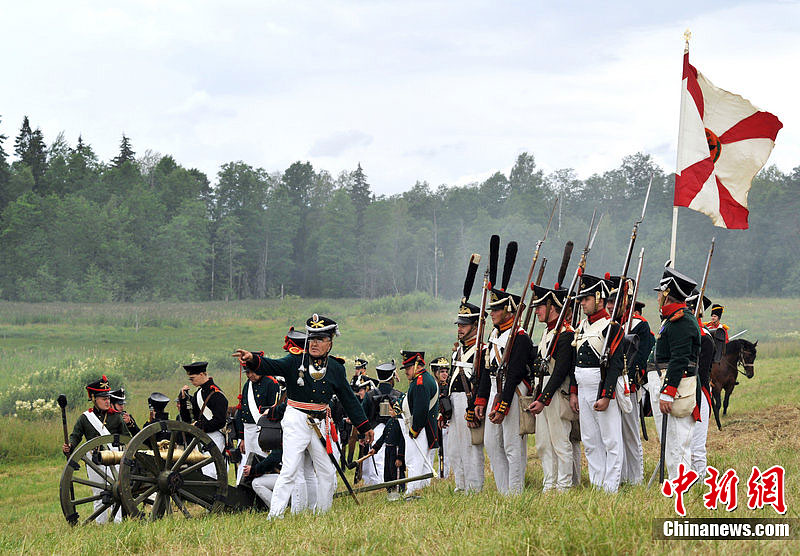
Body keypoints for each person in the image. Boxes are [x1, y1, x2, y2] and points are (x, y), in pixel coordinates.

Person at [233, 314, 374, 518]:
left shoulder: (336, 368)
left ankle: (322, 514)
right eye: (312, 338)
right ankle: (275, 515)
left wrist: (364, 426)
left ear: (330, 343)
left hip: (320, 422)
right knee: (289, 470)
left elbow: (349, 399)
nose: (314, 343)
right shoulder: (294, 361)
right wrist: (253, 360)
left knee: (326, 471)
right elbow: (272, 365)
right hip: (296, 419)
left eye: (320, 339)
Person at [474, 283, 534, 496]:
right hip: (495, 389)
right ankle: (504, 492)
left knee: (512, 446)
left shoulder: (520, 337)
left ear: (509, 310)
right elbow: (486, 369)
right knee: (492, 444)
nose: (492, 313)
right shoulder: (495, 335)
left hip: (513, 392)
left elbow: (515, 374)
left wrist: (503, 406)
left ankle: (515, 493)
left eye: (497, 309)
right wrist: (481, 399)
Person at [572, 273, 625, 493]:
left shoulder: (611, 327)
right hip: (582, 387)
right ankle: (597, 484)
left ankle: (611, 487)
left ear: (599, 299)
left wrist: (606, 395)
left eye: (586, 299)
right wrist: (573, 392)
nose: (582, 303)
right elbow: (575, 361)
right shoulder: (582, 327)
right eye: (581, 299)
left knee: (611, 440)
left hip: (600, 386)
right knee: (590, 439)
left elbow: (615, 366)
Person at [653, 265, 702, 481]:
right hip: (669, 382)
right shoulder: (673, 318)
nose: (657, 298)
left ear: (667, 295)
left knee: (678, 443)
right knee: (672, 442)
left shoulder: (681, 320)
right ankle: (676, 484)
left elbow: (680, 358)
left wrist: (668, 390)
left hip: (677, 386)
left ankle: (680, 486)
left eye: (660, 294)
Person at [526, 284, 577, 492]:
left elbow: (560, 372)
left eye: (540, 307)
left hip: (556, 393)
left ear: (552, 307)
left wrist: (543, 399)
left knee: (560, 441)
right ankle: (549, 484)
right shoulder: (549, 332)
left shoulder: (566, 334)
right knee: (543, 443)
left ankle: (564, 485)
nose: (536, 311)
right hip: (545, 392)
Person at [62, 376, 129, 524]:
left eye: (108, 398)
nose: (107, 401)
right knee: (98, 495)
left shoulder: (116, 417)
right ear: (94, 399)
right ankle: (101, 524)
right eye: (103, 398)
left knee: (118, 492)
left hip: (115, 457)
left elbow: (126, 438)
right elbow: (75, 436)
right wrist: (69, 446)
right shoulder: (85, 418)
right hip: (94, 460)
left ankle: (118, 523)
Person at [607, 279, 654, 486]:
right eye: (608, 302)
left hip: (628, 386)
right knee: (612, 435)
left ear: (625, 301)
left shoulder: (639, 325)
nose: (610, 306)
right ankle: (618, 478)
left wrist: (629, 379)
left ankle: (635, 479)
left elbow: (641, 358)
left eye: (614, 301)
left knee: (630, 435)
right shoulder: (608, 324)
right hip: (608, 386)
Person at [448, 300, 485, 493]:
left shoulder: (481, 350)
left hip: (467, 400)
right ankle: (460, 485)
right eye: (459, 325)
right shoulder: (459, 351)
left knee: (470, 446)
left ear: (475, 326)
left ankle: (474, 487)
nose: (460, 329)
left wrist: (473, 406)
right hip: (454, 401)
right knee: (454, 448)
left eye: (464, 325)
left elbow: (480, 381)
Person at [178, 361, 228, 479]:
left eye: (193, 378)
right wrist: (184, 400)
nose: (191, 381)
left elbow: (220, 421)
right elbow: (189, 418)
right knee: (202, 470)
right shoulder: (199, 393)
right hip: (202, 437)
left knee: (209, 471)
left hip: (215, 436)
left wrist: (199, 426)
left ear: (201, 374)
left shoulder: (216, 394)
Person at [399, 351, 439, 496]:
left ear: (417, 365)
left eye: (408, 368)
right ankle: (423, 489)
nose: (406, 372)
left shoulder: (420, 383)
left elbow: (421, 410)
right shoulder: (425, 379)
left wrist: (414, 429)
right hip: (426, 427)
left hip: (420, 428)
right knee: (423, 461)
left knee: (414, 461)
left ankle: (412, 490)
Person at [234, 364, 280, 485]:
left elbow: (274, 410)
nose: (250, 375)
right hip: (248, 431)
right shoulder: (247, 385)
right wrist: (242, 438)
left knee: (263, 459)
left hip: (264, 430)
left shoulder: (271, 383)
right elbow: (242, 410)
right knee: (249, 460)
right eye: (247, 373)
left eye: (252, 372)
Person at [686, 289, 715, 480]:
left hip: (698, 391)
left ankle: (701, 479)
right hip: (682, 392)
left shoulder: (704, 338)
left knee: (696, 444)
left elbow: (701, 373)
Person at [361, 360, 402, 486]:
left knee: (376, 459)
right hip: (393, 431)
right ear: (392, 377)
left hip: (374, 430)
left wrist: (362, 435)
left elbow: (363, 415)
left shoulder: (369, 395)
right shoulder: (398, 395)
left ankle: (378, 484)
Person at [365, 395, 407, 501]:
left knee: (396, 473)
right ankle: (390, 492)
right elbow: (383, 437)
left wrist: (400, 457)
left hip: (396, 450)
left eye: (391, 410)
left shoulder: (401, 423)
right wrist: (375, 448)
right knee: (388, 472)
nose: (389, 411)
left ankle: (399, 492)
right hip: (388, 450)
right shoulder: (389, 422)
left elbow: (403, 441)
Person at [430, 356, 451, 479]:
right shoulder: (432, 387)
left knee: (446, 451)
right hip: (433, 422)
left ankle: (444, 475)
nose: (445, 374)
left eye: (446, 371)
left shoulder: (449, 387)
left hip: (446, 423)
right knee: (432, 450)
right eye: (442, 371)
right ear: (435, 372)